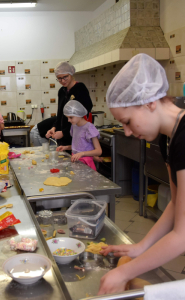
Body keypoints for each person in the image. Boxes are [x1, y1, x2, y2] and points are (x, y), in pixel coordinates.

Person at [97, 53, 185, 294]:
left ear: (149, 103)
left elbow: (182, 235)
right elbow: (176, 204)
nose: (126, 132)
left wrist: (124, 272)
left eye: (128, 121)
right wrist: (141, 246)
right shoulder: (170, 138)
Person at [46, 62, 93, 146]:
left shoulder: (80, 89)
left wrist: (64, 132)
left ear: (71, 74)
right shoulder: (61, 91)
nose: (62, 81)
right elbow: (60, 114)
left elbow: (82, 117)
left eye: (65, 77)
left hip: (76, 138)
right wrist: (54, 127)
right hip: (62, 139)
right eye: (59, 78)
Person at [56, 100, 101, 170]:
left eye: (71, 117)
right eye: (67, 117)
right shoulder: (74, 126)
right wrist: (66, 147)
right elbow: (79, 146)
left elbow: (98, 151)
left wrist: (82, 154)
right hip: (76, 162)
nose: (68, 120)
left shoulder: (89, 128)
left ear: (79, 114)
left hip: (87, 165)